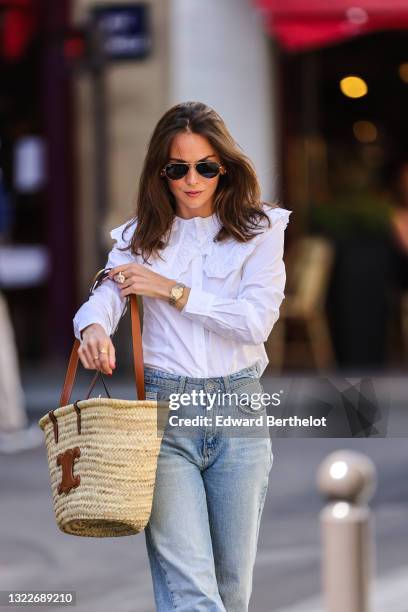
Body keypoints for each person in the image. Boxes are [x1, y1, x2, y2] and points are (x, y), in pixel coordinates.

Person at [73, 101, 291, 612]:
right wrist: (95, 328)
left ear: (224, 168)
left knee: (231, 592)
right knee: (192, 594)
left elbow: (255, 322)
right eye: (178, 168)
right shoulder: (137, 239)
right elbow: (104, 297)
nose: (192, 180)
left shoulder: (259, 232)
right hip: (166, 418)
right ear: (161, 173)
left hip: (239, 410)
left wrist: (173, 291)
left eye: (205, 167)